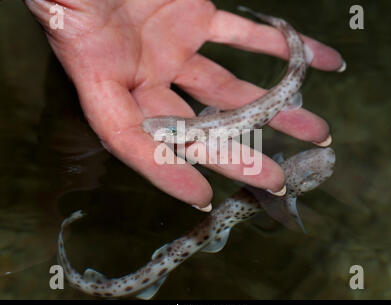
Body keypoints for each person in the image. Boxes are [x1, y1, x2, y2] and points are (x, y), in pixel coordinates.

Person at [25, 0, 345, 212]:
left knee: (285, 84)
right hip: (232, 113)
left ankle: (287, 35)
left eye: (163, 132)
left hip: (268, 101)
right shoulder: (191, 128)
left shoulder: (196, 132)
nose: (156, 131)